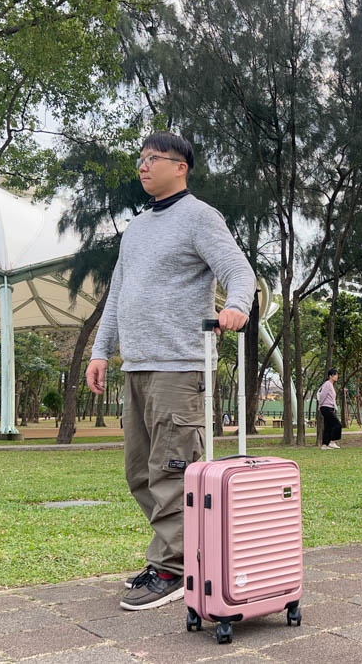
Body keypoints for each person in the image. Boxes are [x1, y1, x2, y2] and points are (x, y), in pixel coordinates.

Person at [85, 131, 256, 611]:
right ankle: (172, 557)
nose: (143, 166)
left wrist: (237, 306)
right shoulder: (136, 229)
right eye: (140, 159)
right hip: (137, 366)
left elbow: (238, 271)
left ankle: (174, 567)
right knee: (139, 473)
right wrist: (101, 352)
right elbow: (117, 296)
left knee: (173, 472)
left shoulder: (200, 217)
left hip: (181, 366)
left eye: (153, 159)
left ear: (181, 167)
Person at [317, 369, 342, 450]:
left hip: (329, 407)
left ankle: (324, 445)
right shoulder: (328, 384)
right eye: (335, 375)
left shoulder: (331, 385)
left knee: (328, 426)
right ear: (330, 376)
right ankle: (332, 441)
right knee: (337, 424)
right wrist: (320, 405)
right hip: (326, 408)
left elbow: (331, 398)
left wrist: (335, 407)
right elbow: (322, 395)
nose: (337, 376)